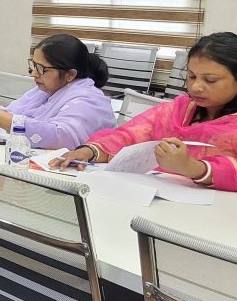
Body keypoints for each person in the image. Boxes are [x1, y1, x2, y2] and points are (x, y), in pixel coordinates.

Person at [51, 32, 237, 192]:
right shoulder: (175, 111)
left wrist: (192, 168)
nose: (196, 87)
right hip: (150, 199)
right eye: (191, 76)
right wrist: (90, 151)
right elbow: (129, 136)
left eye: (210, 80)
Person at [0, 34, 115, 150]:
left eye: (41, 68)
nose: (34, 73)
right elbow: (9, 114)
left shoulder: (88, 100)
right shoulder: (44, 91)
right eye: (33, 65)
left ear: (70, 75)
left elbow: (61, 137)